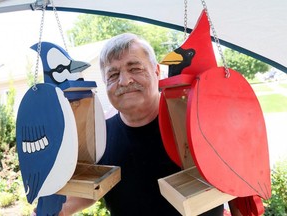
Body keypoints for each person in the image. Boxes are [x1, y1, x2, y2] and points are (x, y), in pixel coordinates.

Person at [33, 33, 224, 215]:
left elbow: (235, 177)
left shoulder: (193, 121)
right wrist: (62, 210)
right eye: (113, 74)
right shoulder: (98, 136)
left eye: (135, 68)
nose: (124, 81)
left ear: (157, 71)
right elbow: (90, 185)